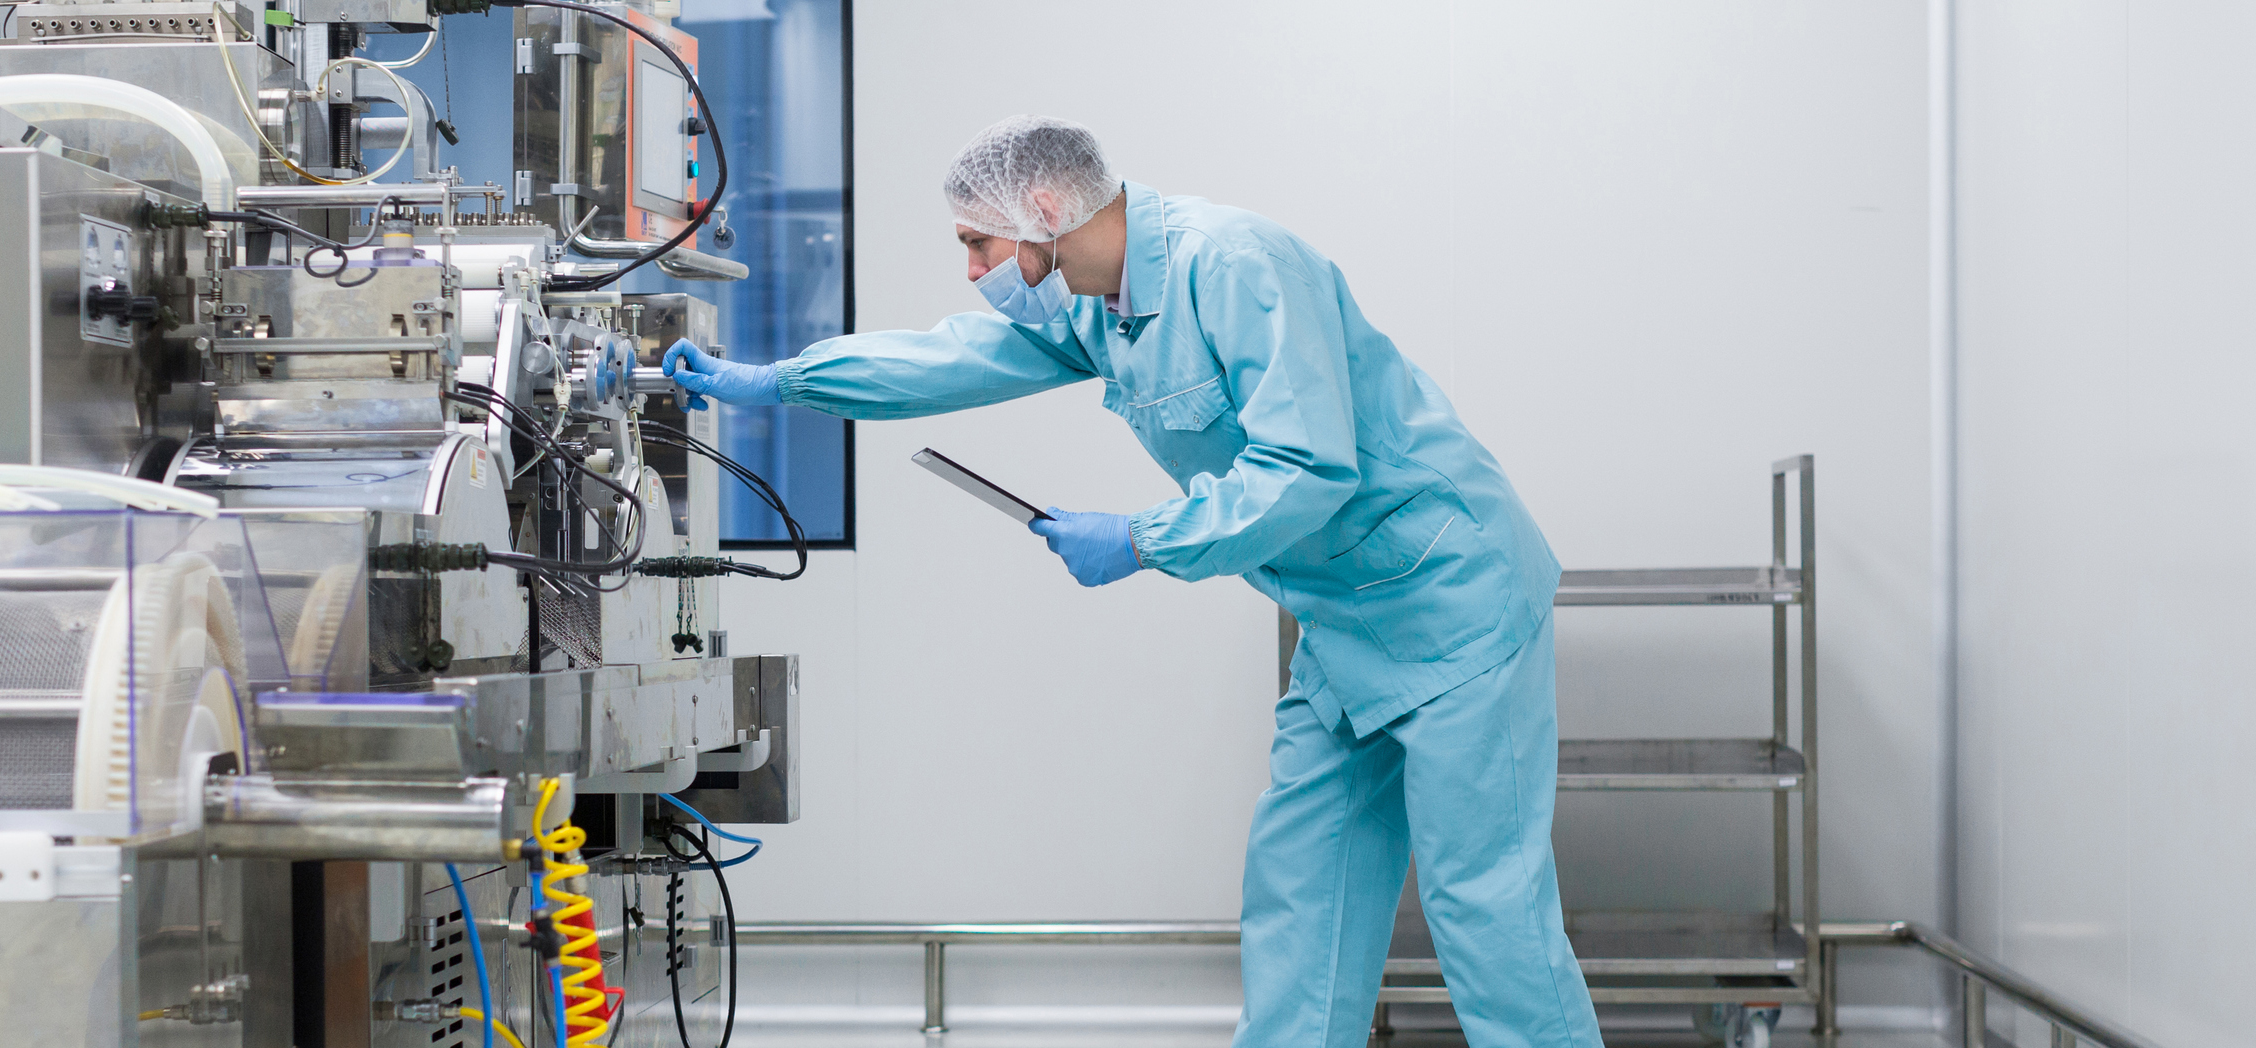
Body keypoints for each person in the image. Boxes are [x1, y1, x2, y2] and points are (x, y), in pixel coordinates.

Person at [663, 115, 1601, 1048]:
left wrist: (1145, 539)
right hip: (1345, 622)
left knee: (1484, 908)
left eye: (975, 242)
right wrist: (780, 382)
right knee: (1303, 898)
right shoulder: (1096, 306)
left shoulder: (1232, 264)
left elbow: (1310, 469)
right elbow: (952, 358)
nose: (972, 269)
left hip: (1452, 602)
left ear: (1040, 210)